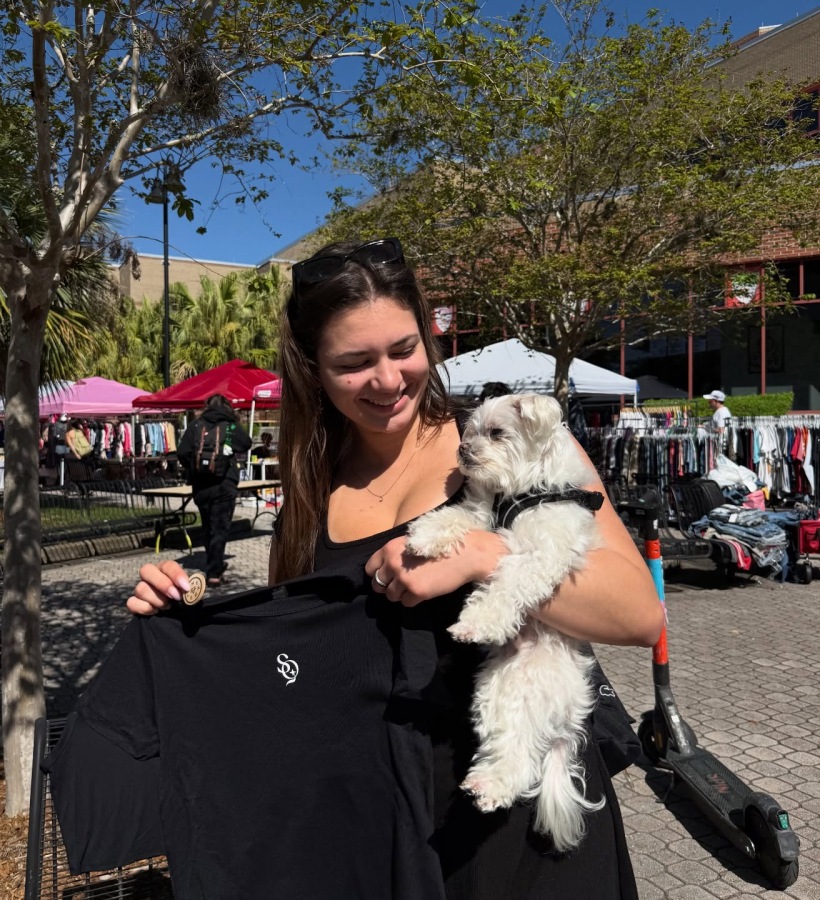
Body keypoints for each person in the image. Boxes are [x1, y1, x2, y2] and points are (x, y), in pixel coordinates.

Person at [128, 237, 664, 898]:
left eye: (403, 350)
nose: (387, 381)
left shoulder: (515, 447)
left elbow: (640, 613)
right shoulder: (311, 488)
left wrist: (485, 555)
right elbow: (295, 660)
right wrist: (193, 613)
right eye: (355, 362)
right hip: (386, 829)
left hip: (526, 825)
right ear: (313, 370)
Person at [176, 394, 252, 586]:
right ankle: (214, 572)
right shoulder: (230, 426)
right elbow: (246, 443)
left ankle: (213, 565)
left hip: (201, 487)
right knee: (220, 529)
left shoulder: (195, 425)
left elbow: (182, 452)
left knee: (208, 527)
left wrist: (196, 469)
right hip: (224, 486)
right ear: (226, 407)